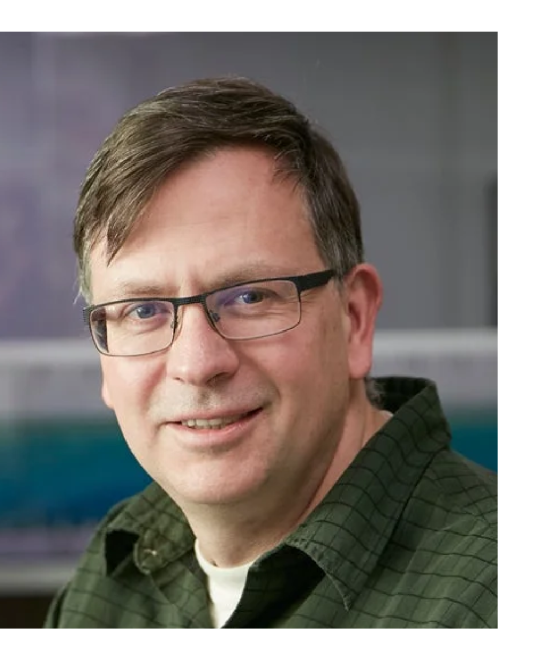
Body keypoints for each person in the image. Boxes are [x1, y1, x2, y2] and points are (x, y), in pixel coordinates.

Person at [42, 77, 494, 628]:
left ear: (354, 320)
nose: (197, 364)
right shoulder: (113, 581)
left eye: (250, 297)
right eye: (143, 311)